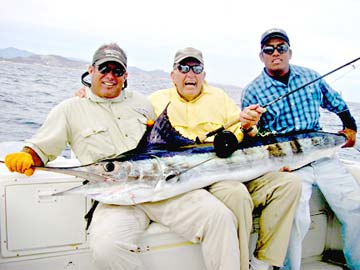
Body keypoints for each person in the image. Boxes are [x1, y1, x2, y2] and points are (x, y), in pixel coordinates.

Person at [4, 43, 243, 270]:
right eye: (104, 69)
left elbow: (161, 138)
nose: (110, 75)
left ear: (125, 75)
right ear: (91, 70)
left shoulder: (143, 102)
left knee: (219, 217)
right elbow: (41, 148)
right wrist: (28, 156)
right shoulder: (69, 108)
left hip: (165, 190)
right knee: (107, 246)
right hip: (115, 197)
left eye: (117, 70)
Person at [149, 47, 301, 270]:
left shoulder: (219, 97)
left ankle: (263, 263)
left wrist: (248, 127)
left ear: (204, 74)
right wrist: (86, 94)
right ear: (173, 75)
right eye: (183, 68)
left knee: (289, 184)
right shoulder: (155, 101)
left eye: (196, 68)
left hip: (234, 167)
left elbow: (243, 129)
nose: (190, 74)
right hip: (200, 181)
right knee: (236, 194)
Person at [241, 28, 360, 270]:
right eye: (269, 49)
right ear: (261, 56)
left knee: (354, 206)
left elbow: (336, 103)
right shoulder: (252, 91)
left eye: (281, 48)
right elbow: (253, 138)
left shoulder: (310, 76)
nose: (276, 53)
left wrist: (350, 127)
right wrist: (249, 128)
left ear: (290, 52)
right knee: (297, 218)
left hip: (323, 156)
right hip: (288, 163)